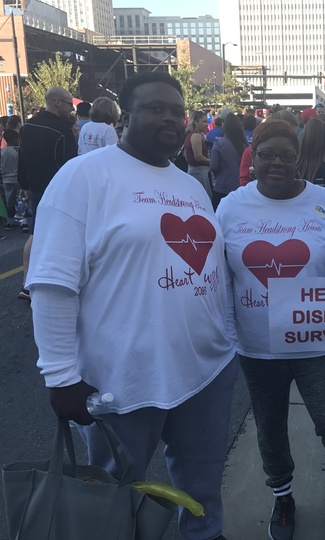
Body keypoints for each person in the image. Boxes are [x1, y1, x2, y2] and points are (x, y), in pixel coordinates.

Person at [25, 71, 237, 540]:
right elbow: (53, 284)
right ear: (124, 116)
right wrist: (60, 375)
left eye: (177, 111)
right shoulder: (83, 177)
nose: (170, 118)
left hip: (204, 372)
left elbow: (211, 269)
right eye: (155, 108)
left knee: (203, 490)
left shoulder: (189, 185)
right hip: (119, 380)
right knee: (113, 496)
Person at [216, 119, 325, 540]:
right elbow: (215, 275)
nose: (277, 163)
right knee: (270, 428)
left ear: (299, 160)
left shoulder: (323, 200)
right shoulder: (231, 207)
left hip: (315, 340)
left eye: (287, 156)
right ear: (253, 158)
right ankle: (283, 496)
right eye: (267, 153)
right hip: (258, 346)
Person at [17, 86, 78, 301]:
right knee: (60, 236)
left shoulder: (27, 126)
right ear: (57, 102)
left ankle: (27, 282)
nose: (72, 109)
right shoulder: (62, 130)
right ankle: (56, 282)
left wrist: (23, 185)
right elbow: (71, 165)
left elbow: (21, 158)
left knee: (36, 233)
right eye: (70, 104)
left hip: (36, 187)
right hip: (59, 190)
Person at [210, 112, 247, 209]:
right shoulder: (244, 146)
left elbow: (213, 165)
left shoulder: (219, 144)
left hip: (222, 186)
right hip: (239, 187)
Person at [184, 110, 212, 197]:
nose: (206, 124)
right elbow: (198, 157)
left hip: (193, 170)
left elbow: (186, 155)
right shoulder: (196, 136)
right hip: (200, 172)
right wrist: (212, 161)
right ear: (195, 122)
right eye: (203, 122)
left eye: (207, 122)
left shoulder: (190, 135)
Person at [2, 130, 21, 231]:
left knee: (9, 202)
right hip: (17, 178)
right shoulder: (17, 151)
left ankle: (10, 221)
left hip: (6, 180)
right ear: (15, 139)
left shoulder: (2, 152)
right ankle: (24, 221)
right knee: (22, 200)